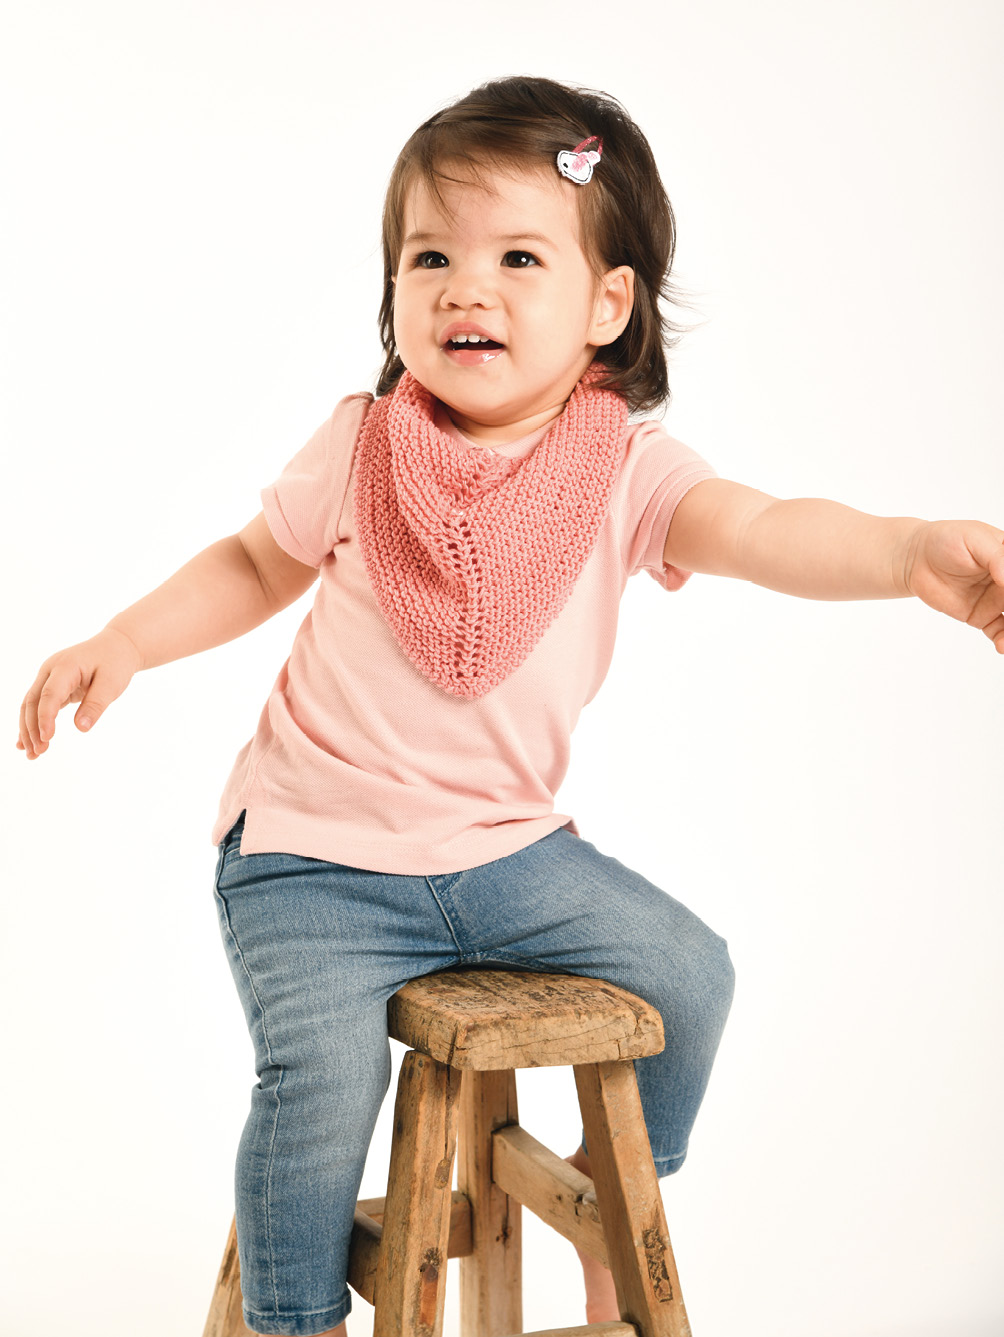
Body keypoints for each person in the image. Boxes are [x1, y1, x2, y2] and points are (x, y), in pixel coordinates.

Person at [15, 74, 1004, 1337]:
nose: (463, 288)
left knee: (688, 972)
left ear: (607, 303)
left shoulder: (625, 471)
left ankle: (609, 1197)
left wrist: (907, 547)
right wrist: (127, 640)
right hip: (308, 856)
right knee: (319, 1080)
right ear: (393, 294)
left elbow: (761, 528)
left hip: (505, 856)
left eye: (515, 256)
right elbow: (255, 561)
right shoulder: (364, 443)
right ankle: (292, 1313)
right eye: (430, 256)